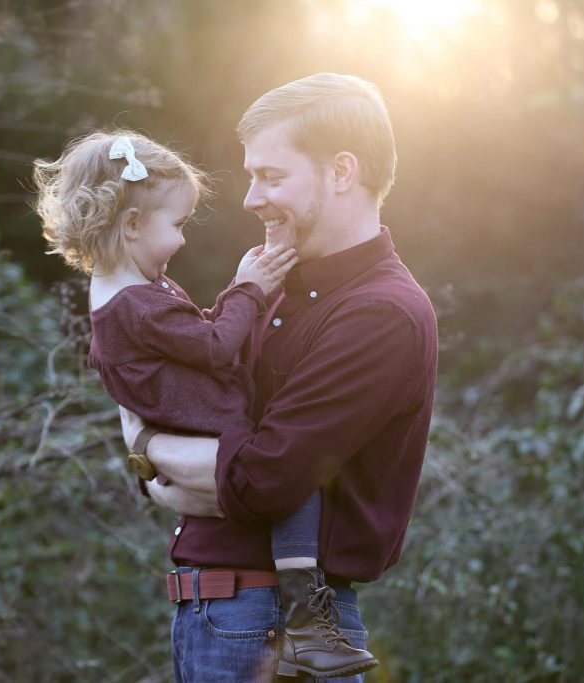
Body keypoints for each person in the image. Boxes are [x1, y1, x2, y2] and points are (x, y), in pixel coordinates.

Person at [120, 73, 438, 682]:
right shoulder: (269, 287)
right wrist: (166, 456)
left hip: (277, 629)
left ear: (342, 172)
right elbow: (190, 412)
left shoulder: (379, 314)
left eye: (271, 176)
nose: (250, 198)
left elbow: (262, 480)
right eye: (251, 177)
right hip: (217, 617)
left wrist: (145, 446)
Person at [31, 129, 378, 677]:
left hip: (197, 447)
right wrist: (249, 289)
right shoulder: (136, 304)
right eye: (178, 225)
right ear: (132, 225)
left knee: (286, 484)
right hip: (214, 430)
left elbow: (196, 342)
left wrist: (146, 448)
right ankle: (308, 620)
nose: (183, 241)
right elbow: (215, 345)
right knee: (298, 487)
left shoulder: (132, 290)